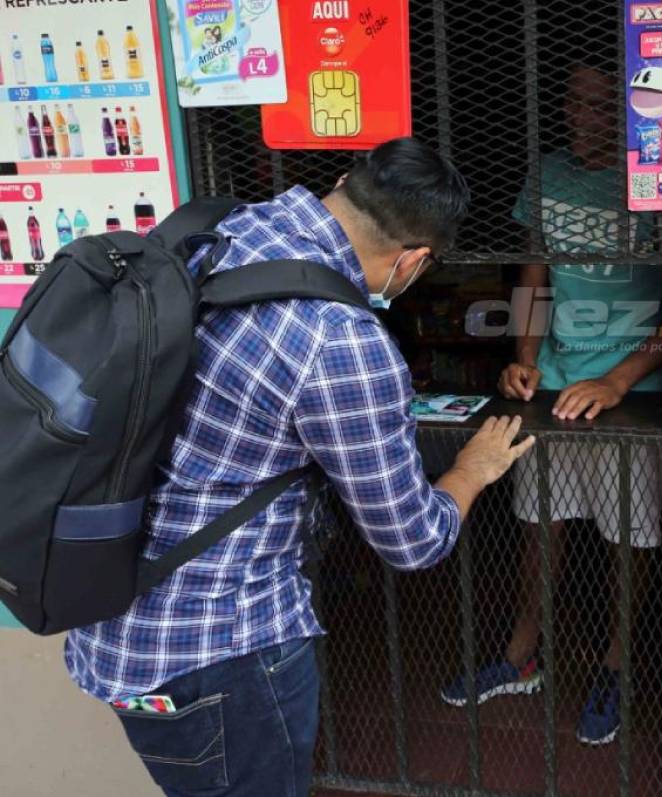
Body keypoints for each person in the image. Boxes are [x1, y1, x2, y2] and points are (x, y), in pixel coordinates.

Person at [65, 138, 536, 797]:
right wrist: (472, 468)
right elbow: (414, 539)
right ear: (413, 262)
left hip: (110, 612)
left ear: (345, 181)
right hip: (222, 651)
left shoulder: (216, 229)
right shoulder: (340, 340)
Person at [438, 59, 662, 747]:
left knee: (627, 537)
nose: (585, 118)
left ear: (630, 112)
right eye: (574, 104)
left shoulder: (657, 181)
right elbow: (533, 276)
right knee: (538, 523)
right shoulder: (546, 176)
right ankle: (523, 653)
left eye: (602, 105)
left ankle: (616, 662)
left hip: (631, 395)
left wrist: (618, 382)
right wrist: (523, 358)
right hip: (554, 382)